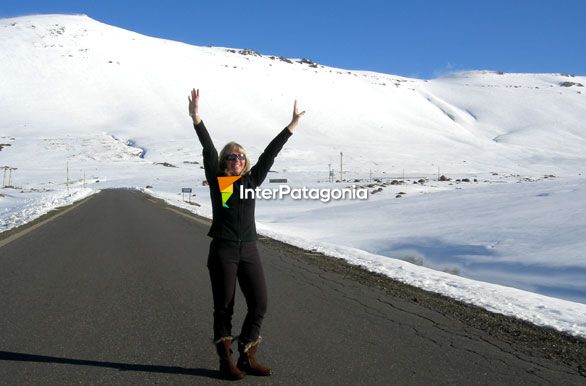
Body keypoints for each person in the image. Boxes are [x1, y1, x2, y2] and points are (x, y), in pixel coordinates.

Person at [188, 88, 305, 380]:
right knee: (224, 307)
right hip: (224, 250)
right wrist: (196, 118)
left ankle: (247, 354)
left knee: (260, 302)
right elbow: (208, 149)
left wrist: (290, 127)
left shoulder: (251, 180)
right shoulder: (219, 183)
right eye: (230, 157)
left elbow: (270, 153)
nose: (236, 159)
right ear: (224, 162)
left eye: (240, 156)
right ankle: (225, 360)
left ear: (245, 161)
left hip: (249, 248)